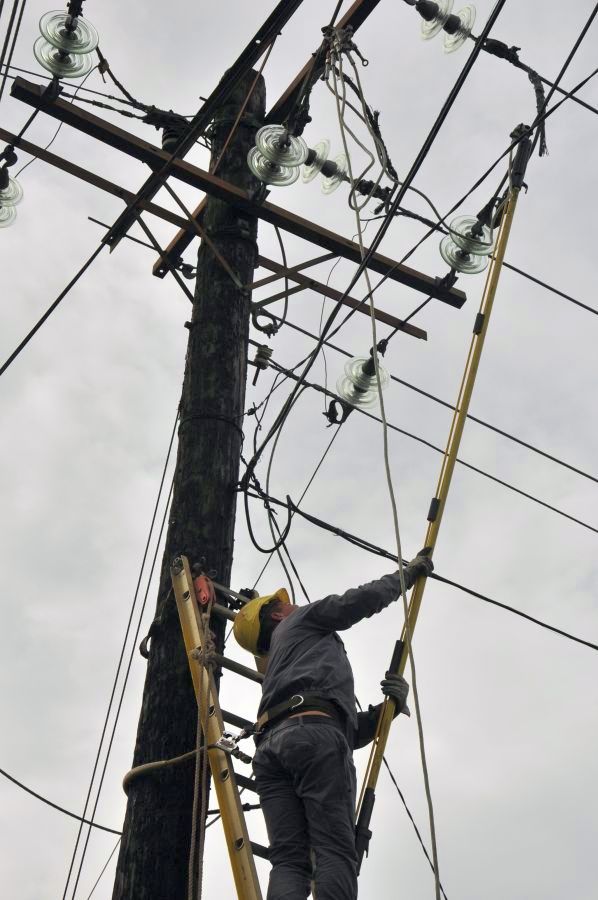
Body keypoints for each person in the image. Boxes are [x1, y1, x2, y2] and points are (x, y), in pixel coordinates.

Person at [232, 550, 434, 900]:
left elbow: (345, 732)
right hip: (312, 735)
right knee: (335, 849)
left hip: (270, 751)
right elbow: (354, 603)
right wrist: (405, 577)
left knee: (289, 860)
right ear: (278, 613)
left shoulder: (278, 667)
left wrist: (387, 710)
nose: (293, 605)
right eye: (286, 604)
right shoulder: (299, 623)